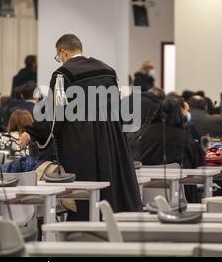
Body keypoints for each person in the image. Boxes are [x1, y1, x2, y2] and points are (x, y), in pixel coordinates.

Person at [20, 34, 142, 218]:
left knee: (84, 192)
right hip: (112, 140)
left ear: (64, 51)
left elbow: (56, 112)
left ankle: (84, 229)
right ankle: (111, 224)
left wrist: (32, 133)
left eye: (58, 56)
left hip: (82, 141)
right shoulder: (108, 71)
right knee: (110, 185)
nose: (59, 60)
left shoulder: (63, 74)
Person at [129, 99, 204, 202]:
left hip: (142, 193)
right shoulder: (184, 137)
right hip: (180, 195)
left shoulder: (140, 134)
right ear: (179, 115)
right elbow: (198, 161)